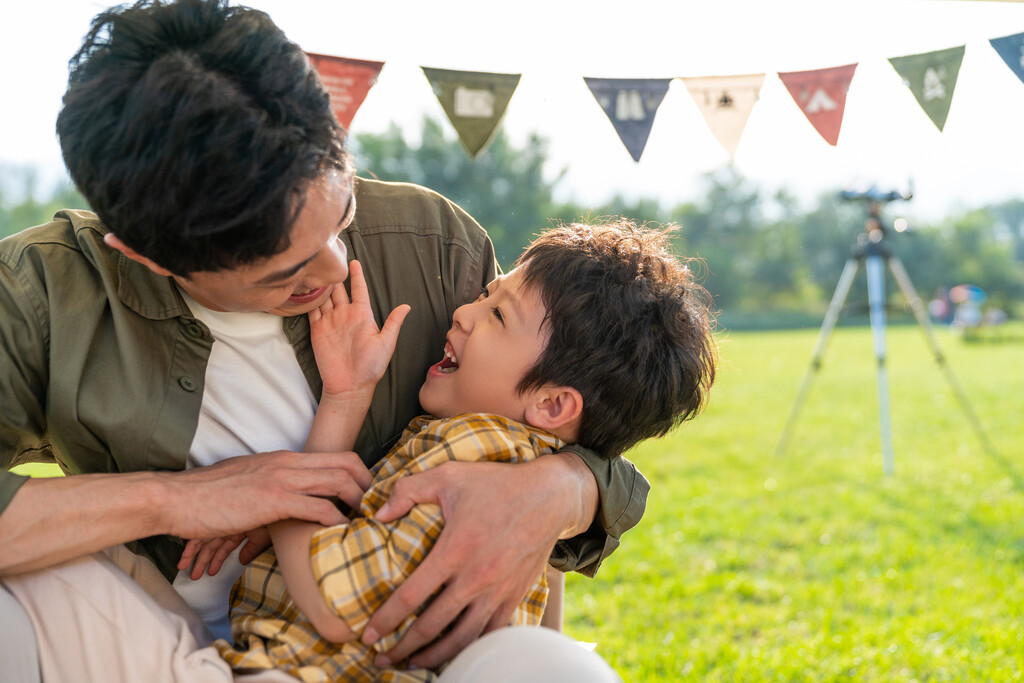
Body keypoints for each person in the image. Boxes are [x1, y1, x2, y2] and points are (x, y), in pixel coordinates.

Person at [0, 0, 647, 679]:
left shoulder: (435, 248)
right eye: (286, 273)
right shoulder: (40, 295)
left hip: (396, 659)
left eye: (340, 218)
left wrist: (563, 489)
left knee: (551, 667)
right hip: (171, 645)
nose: (339, 268)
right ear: (151, 258)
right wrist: (176, 498)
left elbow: (576, 411)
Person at [210, 220, 717, 682]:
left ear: (553, 403)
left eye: (496, 314)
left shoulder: (473, 447)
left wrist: (281, 496)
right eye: (484, 294)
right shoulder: (529, 475)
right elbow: (542, 634)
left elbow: (331, 601)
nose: (463, 312)